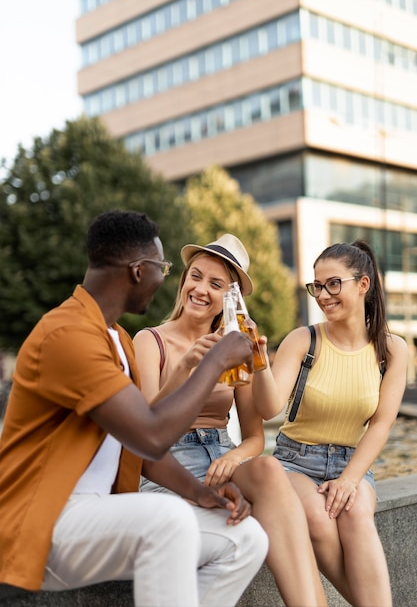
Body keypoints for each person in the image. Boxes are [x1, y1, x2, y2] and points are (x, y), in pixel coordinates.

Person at [0, 210, 269, 607]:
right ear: (138, 271)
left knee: (246, 539)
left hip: (95, 515)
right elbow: (152, 435)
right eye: (162, 267)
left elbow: (137, 449)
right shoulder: (68, 334)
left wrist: (202, 493)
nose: (166, 279)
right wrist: (213, 362)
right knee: (168, 518)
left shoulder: (116, 339)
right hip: (41, 521)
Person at [133, 234, 327, 607]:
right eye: (195, 276)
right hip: (169, 464)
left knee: (270, 469)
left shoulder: (235, 346)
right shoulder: (150, 341)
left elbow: (255, 437)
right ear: (184, 280)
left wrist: (233, 458)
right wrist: (189, 365)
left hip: (221, 458)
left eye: (216, 284)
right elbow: (146, 426)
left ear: (230, 298)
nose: (200, 289)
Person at [253, 240, 408, 607]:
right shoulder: (303, 340)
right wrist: (259, 363)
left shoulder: (393, 350)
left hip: (353, 462)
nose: (322, 295)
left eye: (333, 284)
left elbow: (382, 424)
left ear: (363, 284)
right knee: (320, 519)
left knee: (355, 513)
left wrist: (351, 478)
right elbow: (268, 407)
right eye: (317, 286)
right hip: (294, 462)